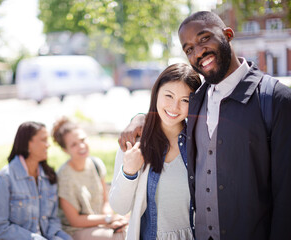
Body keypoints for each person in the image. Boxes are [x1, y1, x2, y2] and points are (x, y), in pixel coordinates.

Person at [118, 11, 291, 240]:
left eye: (204, 38)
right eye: (189, 49)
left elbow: (287, 195)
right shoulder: (197, 99)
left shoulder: (276, 99)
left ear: (228, 34)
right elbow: (168, 112)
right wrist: (139, 118)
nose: (198, 52)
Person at [109, 63, 202, 240]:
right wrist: (129, 171)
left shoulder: (200, 143)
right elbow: (120, 207)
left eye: (185, 100)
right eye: (169, 96)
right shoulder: (134, 143)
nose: (175, 107)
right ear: (156, 93)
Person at [0, 121, 72, 240]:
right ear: (28, 144)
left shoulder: (49, 177)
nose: (48, 145)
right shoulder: (5, 178)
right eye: (43, 140)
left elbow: (52, 220)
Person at [51, 117, 127, 240]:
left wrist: (110, 220)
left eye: (82, 139)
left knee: (132, 229)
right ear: (65, 150)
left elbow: (105, 201)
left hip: (101, 224)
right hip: (77, 230)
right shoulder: (64, 176)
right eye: (74, 144)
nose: (81, 146)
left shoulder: (96, 164)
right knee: (121, 236)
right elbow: (74, 221)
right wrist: (108, 219)